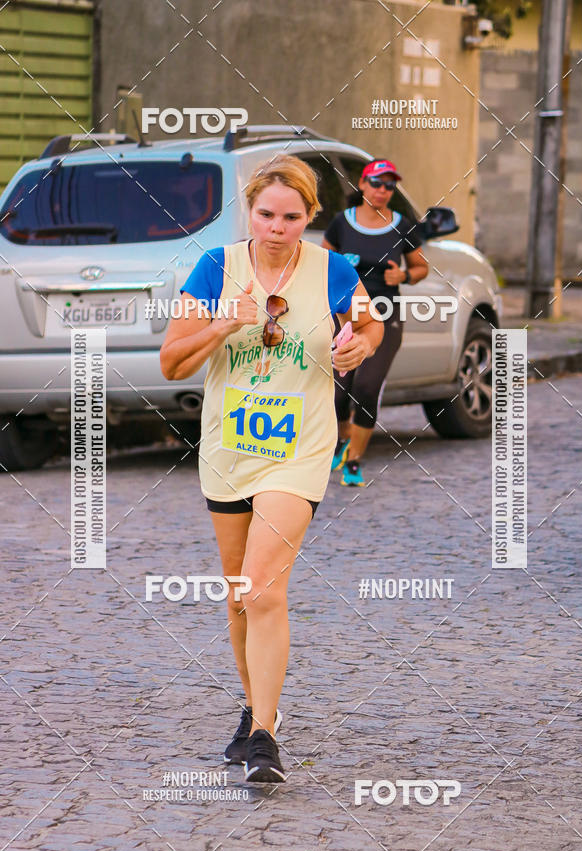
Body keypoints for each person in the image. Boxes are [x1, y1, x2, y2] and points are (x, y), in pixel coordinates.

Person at [160, 155, 383, 783]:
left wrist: (354, 346)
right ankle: (258, 707)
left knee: (262, 587)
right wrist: (225, 321)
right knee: (239, 594)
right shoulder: (216, 269)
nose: (278, 227)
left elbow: (370, 329)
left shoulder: (333, 269)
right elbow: (171, 363)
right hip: (229, 450)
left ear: (311, 216)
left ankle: (263, 736)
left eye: (292, 216)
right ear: (249, 212)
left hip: (299, 449)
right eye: (266, 214)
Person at [322, 159, 429, 486]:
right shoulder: (342, 223)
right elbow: (323, 263)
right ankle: (342, 441)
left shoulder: (403, 225)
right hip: (346, 314)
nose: (383, 190)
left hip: (385, 314)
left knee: (366, 388)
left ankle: (353, 462)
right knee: (339, 393)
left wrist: (405, 275)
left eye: (389, 185)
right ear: (363, 185)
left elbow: (422, 267)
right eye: (377, 183)